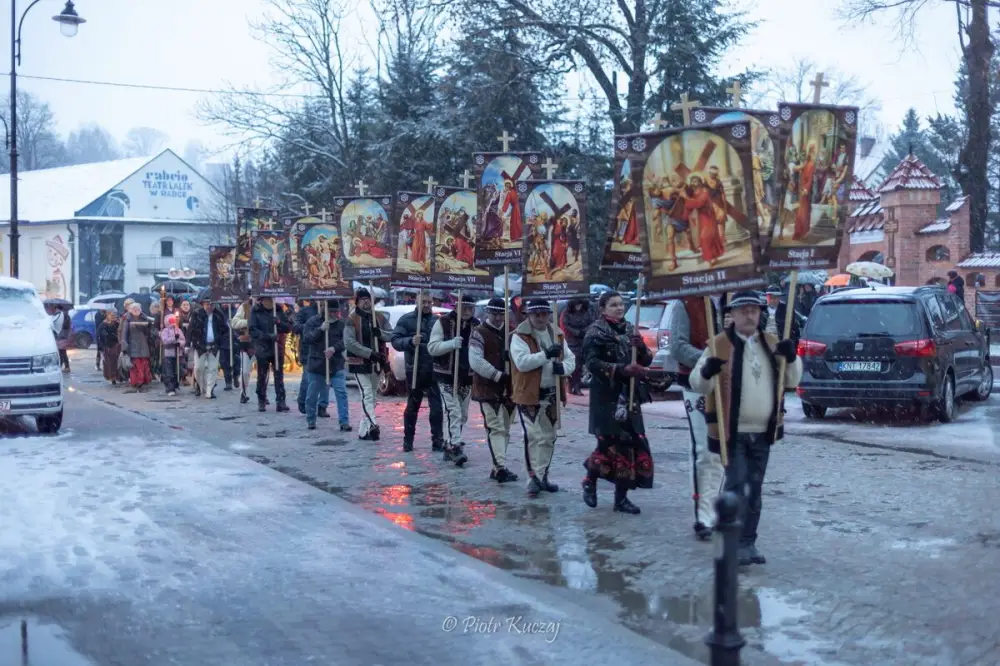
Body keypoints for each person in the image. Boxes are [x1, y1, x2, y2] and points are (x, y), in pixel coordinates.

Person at [689, 291, 803, 566]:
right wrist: (707, 372)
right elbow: (697, 383)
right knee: (738, 487)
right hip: (732, 432)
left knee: (755, 489)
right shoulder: (718, 345)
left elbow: (792, 380)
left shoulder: (773, 343)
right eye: (744, 310)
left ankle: (748, 542)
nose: (750, 315)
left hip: (763, 430)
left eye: (754, 310)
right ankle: (732, 543)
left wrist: (793, 357)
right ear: (733, 315)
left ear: (761, 313)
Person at [581, 290, 655, 514]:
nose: (619, 308)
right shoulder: (594, 333)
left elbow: (647, 358)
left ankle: (618, 496)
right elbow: (591, 363)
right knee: (610, 445)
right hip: (607, 397)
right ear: (602, 308)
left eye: (621, 304)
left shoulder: (629, 329)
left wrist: (640, 347)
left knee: (630, 445)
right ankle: (593, 483)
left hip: (629, 396)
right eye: (613, 305)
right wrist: (621, 369)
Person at [668, 295, 724, 541]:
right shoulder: (685, 303)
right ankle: (704, 515)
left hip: (728, 385)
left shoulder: (731, 300)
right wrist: (707, 361)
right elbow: (678, 347)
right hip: (697, 384)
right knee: (705, 449)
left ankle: (718, 507)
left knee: (724, 450)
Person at [510, 299, 576, 498]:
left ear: (549, 314)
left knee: (548, 437)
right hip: (529, 393)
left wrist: (562, 368)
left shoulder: (557, 334)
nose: (540, 318)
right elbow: (522, 363)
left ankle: (543, 475)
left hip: (552, 392)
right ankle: (533, 478)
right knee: (533, 436)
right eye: (536, 314)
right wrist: (545, 355)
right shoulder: (519, 336)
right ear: (528, 315)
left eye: (543, 314)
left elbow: (570, 358)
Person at [470, 297, 519, 483]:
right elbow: (475, 360)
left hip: (510, 388)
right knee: (495, 427)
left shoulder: (512, 333)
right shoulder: (479, 333)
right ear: (488, 313)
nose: (498, 317)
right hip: (487, 386)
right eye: (494, 313)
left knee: (505, 428)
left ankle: (497, 465)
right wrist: (497, 375)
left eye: (501, 314)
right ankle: (500, 466)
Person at [428, 293, 479, 466]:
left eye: (470, 308)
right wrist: (450, 344)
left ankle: (450, 443)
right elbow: (432, 348)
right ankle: (455, 446)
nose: (467, 311)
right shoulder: (442, 322)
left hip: (467, 376)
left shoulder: (476, 325)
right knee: (453, 411)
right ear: (456, 307)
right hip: (446, 375)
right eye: (464, 307)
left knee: (462, 414)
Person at [391, 292, 445, 453]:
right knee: (413, 406)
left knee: (436, 409)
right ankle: (408, 441)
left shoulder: (437, 321)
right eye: (424, 302)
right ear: (417, 301)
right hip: (414, 369)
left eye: (430, 302)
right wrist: (409, 342)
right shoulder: (406, 320)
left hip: (434, 370)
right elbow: (395, 340)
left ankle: (438, 441)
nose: (427, 305)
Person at [345, 287, 390, 440]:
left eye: (368, 299)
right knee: (367, 394)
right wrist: (369, 353)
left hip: (377, 363)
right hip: (359, 363)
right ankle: (373, 424)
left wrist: (381, 334)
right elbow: (349, 342)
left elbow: (392, 335)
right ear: (357, 302)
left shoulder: (380, 317)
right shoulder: (351, 319)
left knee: (373, 397)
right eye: (363, 300)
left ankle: (363, 432)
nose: (366, 302)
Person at [302, 300, 349, 431]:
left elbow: (346, 340)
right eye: (331, 312)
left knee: (341, 394)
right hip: (317, 365)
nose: (334, 314)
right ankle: (311, 419)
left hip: (336, 365)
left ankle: (344, 422)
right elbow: (307, 339)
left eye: (336, 311)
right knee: (311, 395)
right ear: (324, 310)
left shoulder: (341, 324)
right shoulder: (312, 322)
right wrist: (320, 330)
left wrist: (334, 348)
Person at [249, 296, 292, 412]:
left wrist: (278, 322)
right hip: (262, 348)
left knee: (279, 375)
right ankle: (261, 400)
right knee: (262, 375)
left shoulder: (278, 310)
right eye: (266, 300)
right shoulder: (255, 310)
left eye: (270, 300)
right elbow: (252, 329)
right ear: (261, 300)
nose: (269, 302)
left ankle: (281, 400)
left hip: (277, 348)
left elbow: (288, 327)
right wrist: (267, 336)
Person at [189, 293, 230, 400]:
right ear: (203, 304)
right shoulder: (197, 314)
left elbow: (225, 330)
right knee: (198, 368)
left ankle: (209, 391)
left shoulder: (218, 315)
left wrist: (222, 342)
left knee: (213, 369)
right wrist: (190, 343)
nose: (209, 306)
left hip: (214, 345)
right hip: (200, 345)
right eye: (207, 304)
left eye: (211, 304)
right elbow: (191, 330)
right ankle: (200, 385)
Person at [294, 298, 321, 415]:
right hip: (307, 349)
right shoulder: (305, 311)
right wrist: (310, 327)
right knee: (307, 378)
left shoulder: (328, 311)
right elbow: (296, 327)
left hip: (322, 349)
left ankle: (320, 405)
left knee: (321, 380)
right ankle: (302, 401)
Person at [560, 298, 592, 395]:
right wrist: (577, 332)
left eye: (580, 305)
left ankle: (576, 385)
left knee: (581, 364)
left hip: (584, 339)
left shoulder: (587, 311)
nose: (578, 307)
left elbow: (592, 322)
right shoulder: (566, 312)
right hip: (571, 340)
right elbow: (565, 325)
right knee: (574, 364)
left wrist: (585, 331)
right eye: (577, 305)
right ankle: (573, 386)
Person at [120, 302, 153, 391]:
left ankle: (142, 381)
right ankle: (136, 382)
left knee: (144, 364)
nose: (136, 310)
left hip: (143, 345)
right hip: (133, 345)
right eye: (134, 309)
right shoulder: (128, 319)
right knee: (135, 365)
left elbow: (150, 331)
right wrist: (124, 347)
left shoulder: (144, 318)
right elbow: (124, 334)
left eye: (138, 309)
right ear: (131, 310)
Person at [231, 298, 254, 404]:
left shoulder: (270, 305)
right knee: (245, 371)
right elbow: (234, 322)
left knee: (264, 371)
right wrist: (248, 322)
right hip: (247, 342)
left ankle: (263, 395)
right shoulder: (245, 306)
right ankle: (244, 393)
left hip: (263, 342)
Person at [159, 314, 185, 396]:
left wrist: (179, 343)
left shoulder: (178, 330)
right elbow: (165, 341)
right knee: (169, 372)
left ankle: (175, 385)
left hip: (178, 354)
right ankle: (170, 388)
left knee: (177, 370)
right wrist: (174, 339)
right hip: (169, 354)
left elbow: (183, 340)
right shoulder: (165, 331)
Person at [97, 310, 121, 385]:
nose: (113, 316)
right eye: (111, 315)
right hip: (108, 346)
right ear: (107, 316)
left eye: (114, 315)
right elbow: (99, 335)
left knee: (117, 362)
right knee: (110, 363)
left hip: (117, 345)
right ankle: (112, 378)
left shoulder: (117, 323)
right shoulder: (103, 324)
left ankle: (118, 377)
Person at [49, 305, 72, 372]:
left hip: (62, 335)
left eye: (55, 309)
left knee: (62, 351)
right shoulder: (64, 315)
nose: (54, 310)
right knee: (61, 351)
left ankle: (66, 366)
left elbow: (63, 325)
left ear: (57, 309)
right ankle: (63, 366)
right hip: (63, 335)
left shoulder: (62, 315)